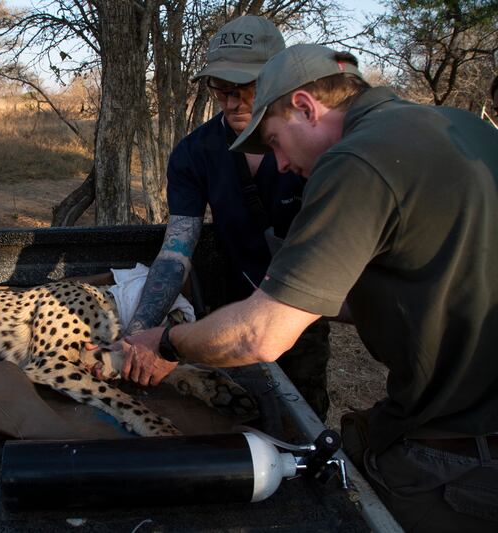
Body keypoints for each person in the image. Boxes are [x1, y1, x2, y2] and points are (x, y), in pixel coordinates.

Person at [122, 43, 498, 531]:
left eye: (275, 140)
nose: (279, 163)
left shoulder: (357, 159)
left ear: (305, 106)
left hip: (461, 454)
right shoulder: (464, 128)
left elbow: (258, 336)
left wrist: (167, 343)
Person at [123, 15, 332, 420]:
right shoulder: (195, 152)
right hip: (229, 309)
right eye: (221, 88)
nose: (235, 102)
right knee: (231, 415)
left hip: (300, 307)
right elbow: (176, 249)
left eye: (249, 88)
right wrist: (139, 333)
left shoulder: (317, 145)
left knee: (301, 416)